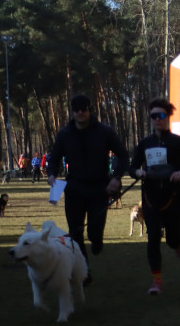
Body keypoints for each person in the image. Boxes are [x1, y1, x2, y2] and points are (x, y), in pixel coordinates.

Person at [46, 94, 128, 285]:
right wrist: (51, 174)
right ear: (73, 111)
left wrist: (116, 177)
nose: (80, 112)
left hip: (99, 188)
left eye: (84, 109)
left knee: (94, 232)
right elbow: (54, 157)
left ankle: (97, 242)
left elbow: (123, 155)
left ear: (90, 110)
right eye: (77, 109)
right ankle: (85, 272)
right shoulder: (65, 134)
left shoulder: (104, 131)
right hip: (74, 188)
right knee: (75, 234)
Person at [129, 98, 180, 295]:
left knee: (172, 239)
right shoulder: (144, 143)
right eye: (153, 116)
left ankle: (177, 243)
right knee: (153, 238)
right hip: (150, 198)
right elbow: (132, 167)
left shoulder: (178, 142)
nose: (157, 119)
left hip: (173, 197)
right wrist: (138, 173)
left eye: (161, 116)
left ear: (167, 117)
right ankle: (156, 281)